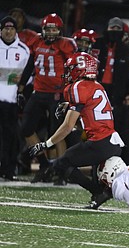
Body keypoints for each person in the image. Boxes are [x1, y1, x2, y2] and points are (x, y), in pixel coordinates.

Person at [29, 52, 124, 209]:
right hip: (111, 141)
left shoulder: (77, 87)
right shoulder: (97, 86)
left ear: (80, 70)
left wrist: (45, 144)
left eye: (71, 69)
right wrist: (69, 107)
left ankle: (100, 193)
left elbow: (67, 127)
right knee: (106, 178)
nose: (68, 72)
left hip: (99, 143)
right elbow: (90, 113)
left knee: (61, 164)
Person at [17, 13, 77, 183]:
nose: (51, 32)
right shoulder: (36, 41)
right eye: (48, 29)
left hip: (57, 94)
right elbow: (30, 65)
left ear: (60, 30)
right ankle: (44, 165)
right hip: (38, 92)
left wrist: (69, 92)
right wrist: (21, 89)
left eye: (54, 29)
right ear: (42, 30)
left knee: (57, 132)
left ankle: (63, 171)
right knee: (26, 129)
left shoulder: (66, 44)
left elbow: (73, 68)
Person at [93, 17, 129, 164]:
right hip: (96, 94)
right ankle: (96, 163)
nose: (114, 32)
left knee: (121, 131)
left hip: (118, 97)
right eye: (112, 28)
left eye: (118, 29)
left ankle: (123, 164)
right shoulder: (97, 45)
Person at [0, 16, 30, 180]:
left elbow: (27, 77)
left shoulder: (24, 50)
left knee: (10, 137)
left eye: (11, 28)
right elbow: (17, 76)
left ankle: (8, 169)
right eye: (5, 28)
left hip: (11, 100)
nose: (8, 31)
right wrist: (12, 76)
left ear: (15, 30)